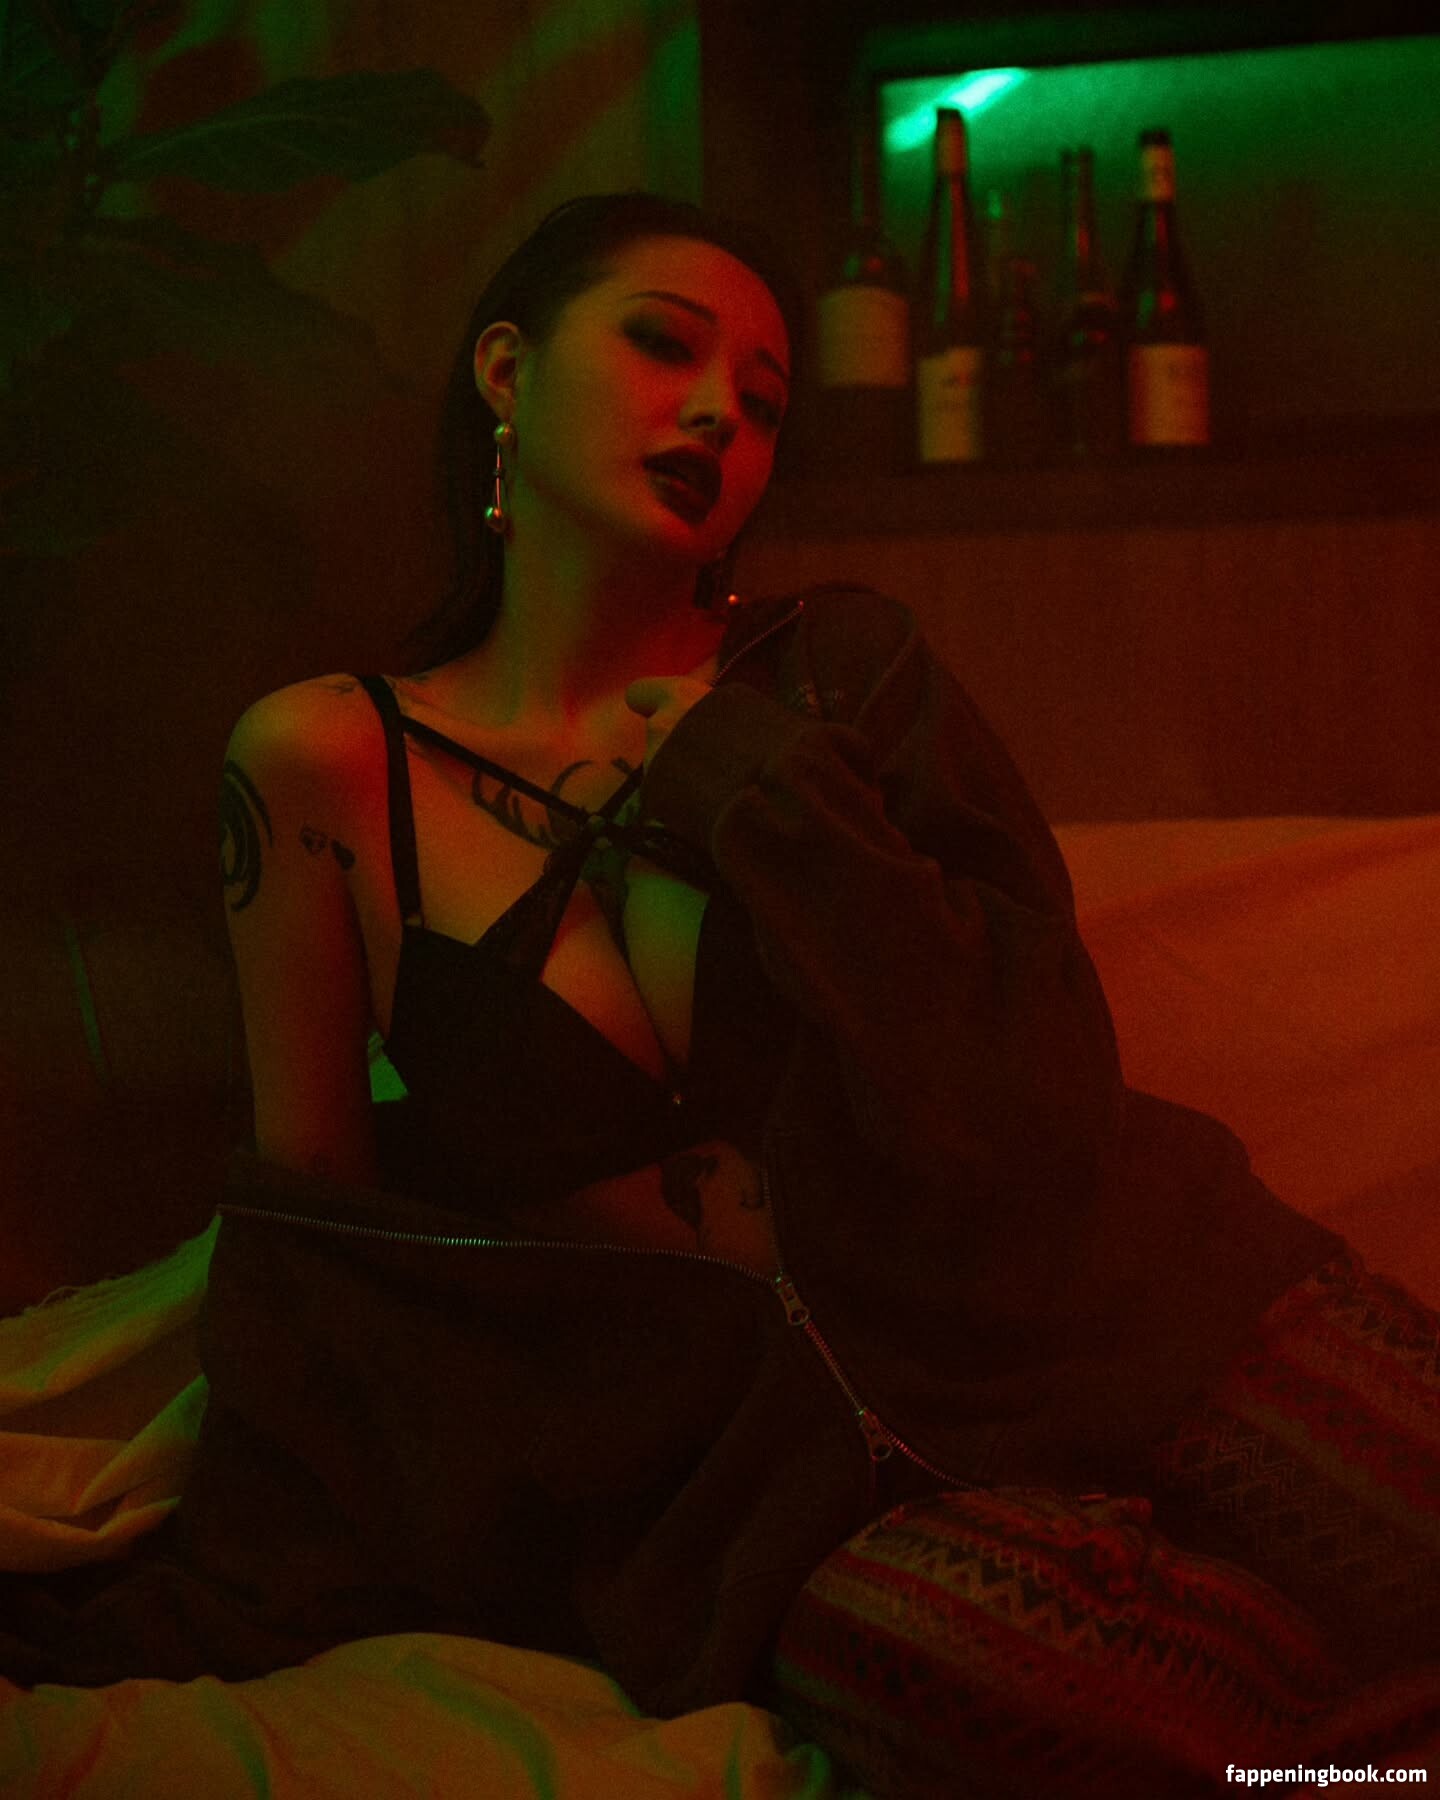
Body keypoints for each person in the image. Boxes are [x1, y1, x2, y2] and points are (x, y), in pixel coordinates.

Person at [5, 194, 1438, 1797]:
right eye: (663, 347)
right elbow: (325, 1245)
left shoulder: (843, 676)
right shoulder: (325, 761)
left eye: (761, 404)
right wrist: (239, 1589)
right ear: (505, 368)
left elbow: (1033, 1090)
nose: (716, 418)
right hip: (780, 1499)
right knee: (1016, 1693)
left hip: (1127, 1312)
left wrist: (757, 792)